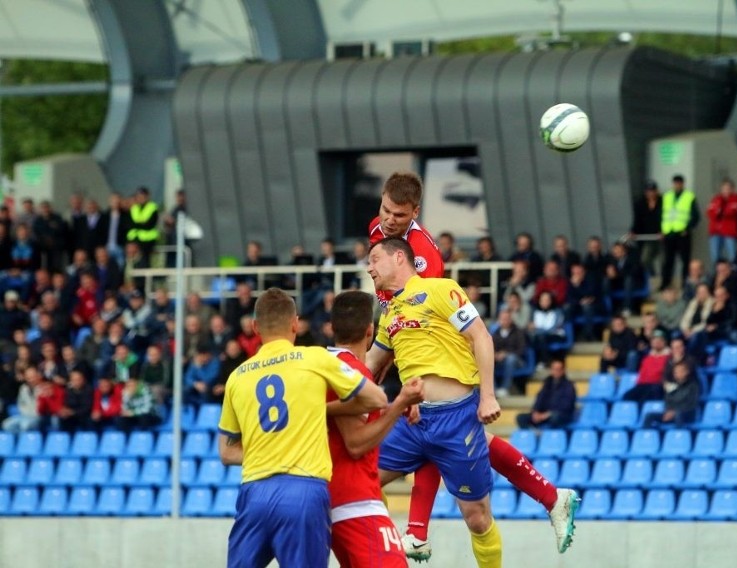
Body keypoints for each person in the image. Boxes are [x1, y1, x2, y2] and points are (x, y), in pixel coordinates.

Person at [368, 176, 574, 561]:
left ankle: (416, 531)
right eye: (384, 211)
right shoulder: (379, 236)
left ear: (415, 213)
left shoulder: (427, 263)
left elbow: (432, 325)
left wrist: (481, 393)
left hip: (443, 350)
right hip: (409, 346)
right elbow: (392, 328)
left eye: (398, 215)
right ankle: (551, 496)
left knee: (475, 511)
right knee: (361, 478)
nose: (389, 220)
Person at [217, 287, 387, 568]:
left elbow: (226, 452)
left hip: (254, 492)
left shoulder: (237, 376)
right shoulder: (314, 359)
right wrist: (317, 412)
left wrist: (269, 449)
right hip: (304, 490)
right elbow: (375, 398)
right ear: (295, 323)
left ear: (256, 327)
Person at [326, 291, 424, 568]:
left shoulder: (326, 364)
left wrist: (394, 406)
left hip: (337, 499)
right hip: (354, 501)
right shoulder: (350, 371)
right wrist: (400, 404)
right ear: (371, 331)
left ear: (332, 327)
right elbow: (355, 443)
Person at [660, 174, 701, 290]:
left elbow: (696, 217)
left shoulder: (689, 196)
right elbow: (661, 214)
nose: (677, 185)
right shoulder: (667, 196)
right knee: (668, 260)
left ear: (683, 184)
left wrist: (687, 228)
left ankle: (684, 284)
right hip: (669, 232)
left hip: (682, 233)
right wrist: (661, 230)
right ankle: (665, 283)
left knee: (685, 260)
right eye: (675, 183)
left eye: (679, 183)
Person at [516, 358, 576, 429]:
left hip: (560, 415)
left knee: (555, 418)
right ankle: (534, 433)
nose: (555, 372)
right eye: (553, 369)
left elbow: (566, 406)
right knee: (521, 417)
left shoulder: (568, 385)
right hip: (543, 414)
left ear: (563, 370)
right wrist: (536, 411)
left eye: (558, 369)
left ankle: (548, 436)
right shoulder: (547, 383)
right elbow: (540, 398)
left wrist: (548, 414)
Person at [642, 361, 700, 427]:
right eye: (675, 372)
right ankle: (647, 435)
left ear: (686, 372)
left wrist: (674, 411)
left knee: (678, 415)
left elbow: (690, 403)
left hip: (687, 413)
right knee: (649, 416)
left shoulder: (693, 385)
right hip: (671, 412)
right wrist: (669, 411)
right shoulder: (671, 385)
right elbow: (668, 400)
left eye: (680, 371)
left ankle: (678, 435)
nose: (677, 373)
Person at [623, 330, 670, 403]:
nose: (657, 342)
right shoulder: (646, 358)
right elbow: (642, 374)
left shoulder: (669, 358)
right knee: (627, 396)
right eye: (654, 340)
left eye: (660, 340)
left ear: (664, 342)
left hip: (657, 386)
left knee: (649, 395)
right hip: (643, 385)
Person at [492, 308, 528, 398]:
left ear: (511, 319)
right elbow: (491, 348)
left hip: (517, 360)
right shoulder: (495, 333)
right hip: (500, 361)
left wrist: (506, 354)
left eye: (506, 319)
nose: (504, 321)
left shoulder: (518, 332)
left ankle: (505, 388)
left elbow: (521, 350)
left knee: (510, 358)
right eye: (502, 319)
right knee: (487, 360)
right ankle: (493, 389)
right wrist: (495, 355)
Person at [630, 179, 662, 275]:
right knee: (645, 259)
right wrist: (633, 231)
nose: (650, 193)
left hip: (661, 236)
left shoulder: (663, 202)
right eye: (648, 191)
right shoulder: (640, 203)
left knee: (664, 260)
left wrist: (663, 231)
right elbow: (637, 219)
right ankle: (652, 275)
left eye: (652, 191)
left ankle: (664, 279)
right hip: (647, 236)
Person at [706, 178, 737, 264]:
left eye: (728, 188)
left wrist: (719, 211)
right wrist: (720, 212)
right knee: (715, 256)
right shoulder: (715, 199)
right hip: (715, 231)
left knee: (732, 256)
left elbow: (732, 212)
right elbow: (710, 213)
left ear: (733, 189)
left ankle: (733, 274)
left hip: (729, 231)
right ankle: (717, 275)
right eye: (724, 188)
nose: (726, 191)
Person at [126, 186, 160, 263]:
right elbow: (130, 224)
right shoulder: (134, 208)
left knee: (145, 260)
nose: (140, 198)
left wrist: (138, 224)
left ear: (147, 197)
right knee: (132, 259)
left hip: (147, 240)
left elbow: (149, 225)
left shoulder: (152, 207)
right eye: (138, 196)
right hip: (134, 239)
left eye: (142, 196)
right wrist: (142, 223)